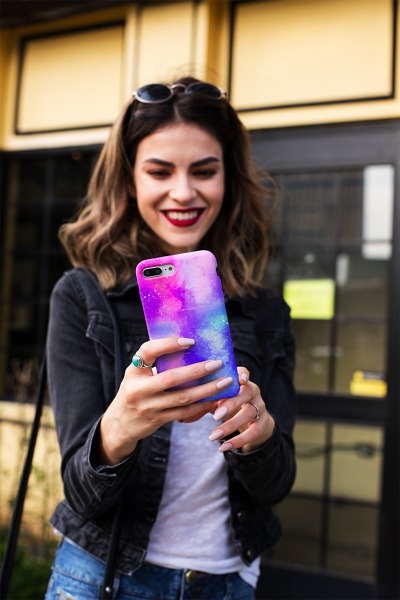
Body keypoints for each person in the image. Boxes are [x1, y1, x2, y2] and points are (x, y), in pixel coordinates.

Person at [45, 76, 297, 600]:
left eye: (204, 171)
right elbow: (81, 494)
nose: (183, 192)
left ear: (229, 178)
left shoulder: (267, 310)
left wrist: (260, 434)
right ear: (129, 179)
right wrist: (119, 427)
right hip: (101, 578)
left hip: (226, 583)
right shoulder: (83, 296)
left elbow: (277, 486)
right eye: (159, 171)